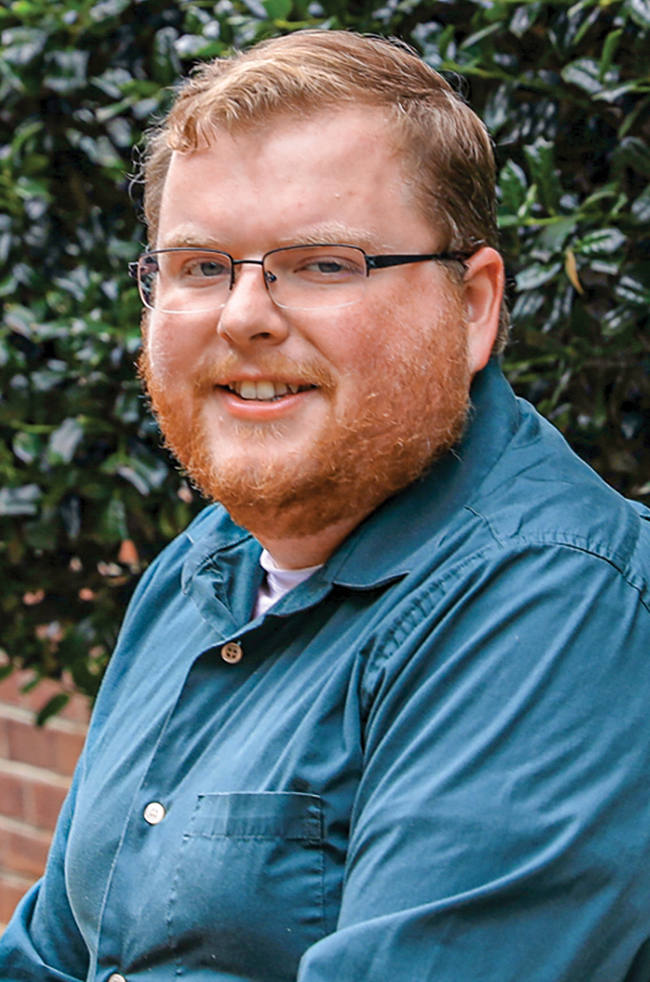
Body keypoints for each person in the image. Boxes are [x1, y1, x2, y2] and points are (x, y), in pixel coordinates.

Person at [2, 28, 650, 982]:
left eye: (323, 263)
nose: (244, 314)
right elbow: (56, 953)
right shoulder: (204, 564)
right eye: (200, 266)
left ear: (473, 306)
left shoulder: (558, 608)